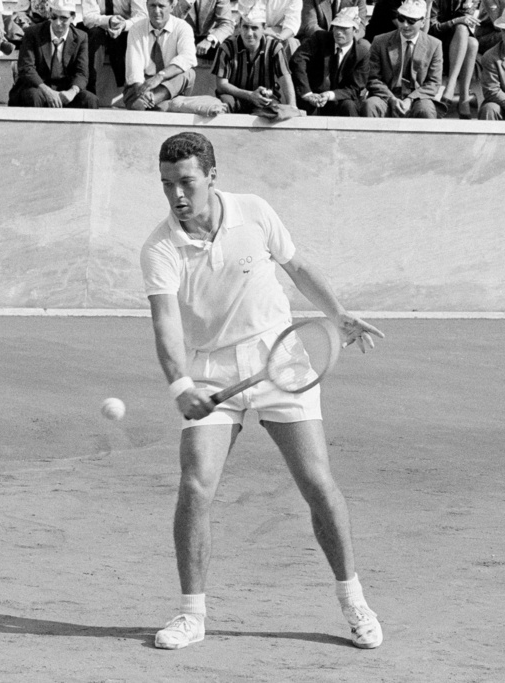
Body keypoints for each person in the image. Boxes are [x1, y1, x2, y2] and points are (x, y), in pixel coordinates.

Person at [140, 130, 385, 652]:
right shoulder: (160, 248)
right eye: (166, 185)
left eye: (186, 182)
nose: (177, 196)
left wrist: (337, 314)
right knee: (195, 485)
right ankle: (192, 615)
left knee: (317, 483)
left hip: (281, 363)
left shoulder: (254, 211)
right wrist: (181, 383)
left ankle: (354, 600)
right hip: (210, 369)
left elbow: (296, 268)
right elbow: (166, 326)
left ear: (211, 176)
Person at [361, 0, 447, 117]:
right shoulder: (380, 41)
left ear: (422, 22)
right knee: (370, 105)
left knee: (426, 109)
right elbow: (372, 78)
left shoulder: (434, 45)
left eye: (411, 21)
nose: (405, 25)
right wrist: (391, 98)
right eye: (401, 19)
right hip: (386, 95)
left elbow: (433, 83)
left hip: (418, 97)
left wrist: (410, 99)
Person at [8, 0, 99, 107]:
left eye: (64, 18)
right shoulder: (32, 33)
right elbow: (27, 68)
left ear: (73, 18)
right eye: (54, 17)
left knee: (90, 99)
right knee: (32, 96)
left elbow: (82, 73)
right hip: (38, 87)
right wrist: (48, 92)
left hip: (65, 89)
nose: (57, 23)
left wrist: (72, 92)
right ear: (49, 14)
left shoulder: (81, 37)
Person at [211, 4, 296, 112]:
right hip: (235, 97)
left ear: (264, 28)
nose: (249, 33)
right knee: (224, 103)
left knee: (276, 109)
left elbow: (285, 79)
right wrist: (250, 95)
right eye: (245, 27)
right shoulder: (227, 47)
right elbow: (221, 86)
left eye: (254, 28)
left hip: (264, 98)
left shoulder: (274, 47)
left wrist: (292, 107)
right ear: (239, 27)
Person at [290, 6, 369, 116]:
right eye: (336, 27)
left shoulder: (361, 53)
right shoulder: (319, 38)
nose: (338, 32)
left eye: (344, 28)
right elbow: (298, 60)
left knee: (349, 106)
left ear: (355, 30)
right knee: (307, 107)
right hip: (313, 95)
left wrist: (330, 95)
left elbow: (354, 88)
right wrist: (307, 93)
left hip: (339, 99)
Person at [123, 0, 196, 110]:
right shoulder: (136, 29)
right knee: (134, 86)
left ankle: (150, 102)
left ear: (172, 7)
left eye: (161, 6)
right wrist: (143, 90)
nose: (156, 11)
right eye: (152, 5)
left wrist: (160, 76)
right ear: (146, 6)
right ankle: (157, 104)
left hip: (168, 85)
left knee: (189, 74)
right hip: (142, 85)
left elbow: (188, 57)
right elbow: (134, 68)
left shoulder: (183, 27)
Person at [429, 0, 479, 117]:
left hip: (457, 44)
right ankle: (455, 91)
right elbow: (432, 28)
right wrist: (455, 21)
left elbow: (465, 21)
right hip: (436, 42)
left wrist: (460, 20)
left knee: (473, 43)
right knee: (462, 28)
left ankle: (463, 96)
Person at [81, 0, 145, 92]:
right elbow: (88, 17)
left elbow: (142, 16)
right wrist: (109, 20)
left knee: (131, 35)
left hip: (126, 29)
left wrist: (124, 25)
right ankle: (90, 89)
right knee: (94, 34)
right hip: (100, 27)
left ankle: (130, 88)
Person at [236, 0, 302, 55]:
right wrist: (265, 34)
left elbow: (291, 25)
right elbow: (249, 21)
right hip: (252, 32)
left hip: (276, 34)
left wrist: (279, 38)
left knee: (292, 43)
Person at [298, 0, 366, 41]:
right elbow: (310, 26)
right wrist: (335, 39)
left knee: (364, 46)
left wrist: (349, 39)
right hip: (320, 38)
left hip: (347, 39)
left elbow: (361, 26)